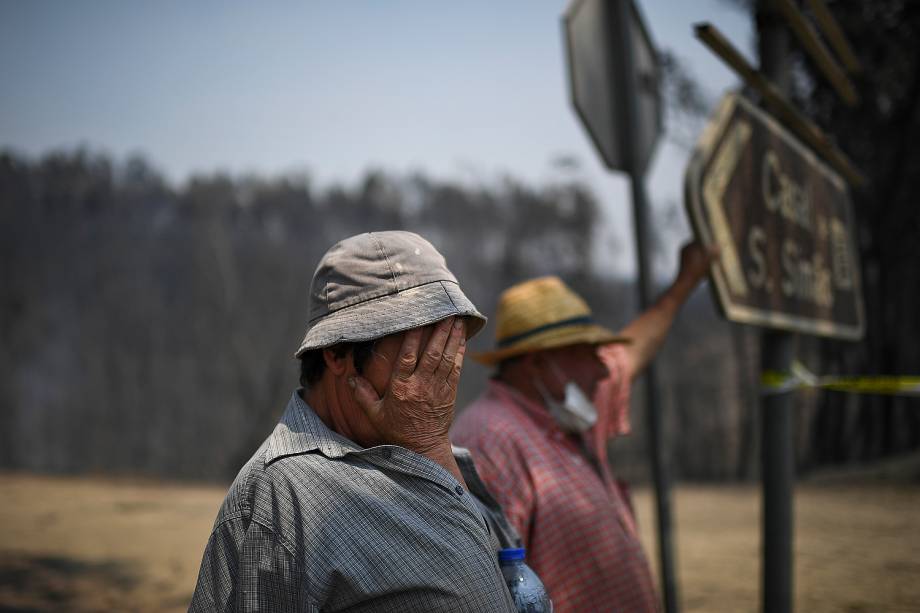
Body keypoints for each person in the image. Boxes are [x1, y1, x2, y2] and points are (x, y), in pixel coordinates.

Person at [190, 231, 519, 612]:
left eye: (449, 343)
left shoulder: (442, 453)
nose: (443, 366)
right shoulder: (279, 498)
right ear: (337, 352)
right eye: (421, 349)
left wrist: (432, 447)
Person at [451, 241, 717, 613]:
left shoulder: (569, 411)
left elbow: (632, 353)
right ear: (538, 363)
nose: (603, 369)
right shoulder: (490, 441)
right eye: (586, 354)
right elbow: (490, 591)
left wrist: (686, 281)